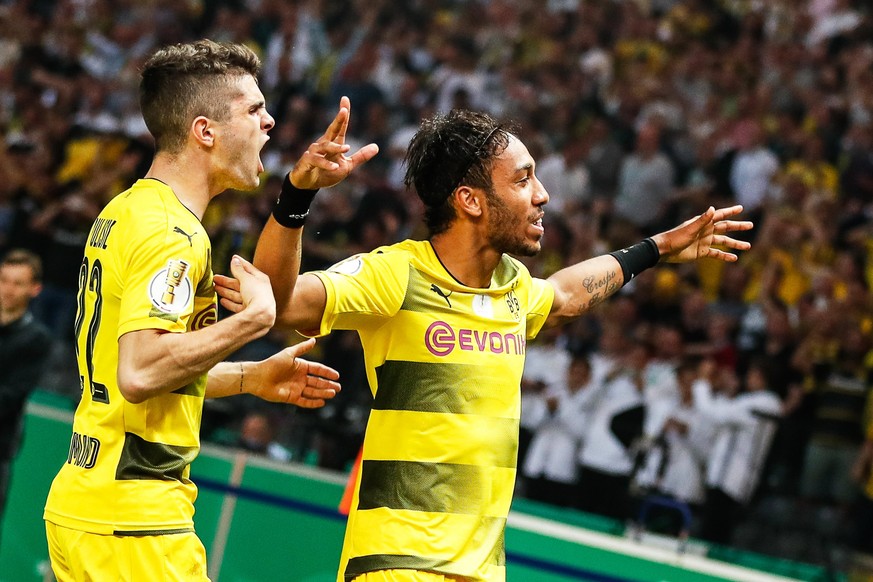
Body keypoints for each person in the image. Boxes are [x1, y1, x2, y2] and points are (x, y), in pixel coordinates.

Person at [220, 108, 752, 581]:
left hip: (480, 568)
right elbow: (281, 303)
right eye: (523, 181)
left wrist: (656, 248)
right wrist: (298, 195)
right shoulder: (396, 274)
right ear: (470, 200)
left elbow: (566, 294)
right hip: (399, 563)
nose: (542, 195)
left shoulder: (515, 286)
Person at [43, 39, 377, 582]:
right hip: (137, 523)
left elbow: (133, 365)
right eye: (253, 109)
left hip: (90, 506)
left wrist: (248, 377)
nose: (270, 121)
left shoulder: (127, 209)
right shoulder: (174, 234)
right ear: (205, 131)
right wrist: (251, 322)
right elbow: (141, 371)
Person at [0, 249, 51, 542]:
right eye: (4, 280)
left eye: (18, 283)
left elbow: (10, 397)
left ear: (34, 289)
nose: (8, 289)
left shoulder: (36, 340)